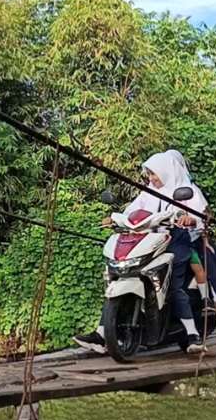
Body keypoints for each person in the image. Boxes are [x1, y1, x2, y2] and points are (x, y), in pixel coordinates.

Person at [74, 150, 208, 354]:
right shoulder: (148, 192)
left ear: (166, 171)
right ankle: (102, 334)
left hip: (176, 241)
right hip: (149, 241)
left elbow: (199, 215)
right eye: (149, 174)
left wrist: (190, 219)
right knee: (120, 276)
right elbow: (132, 211)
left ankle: (192, 335)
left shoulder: (185, 190)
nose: (151, 178)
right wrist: (115, 218)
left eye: (154, 174)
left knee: (174, 286)